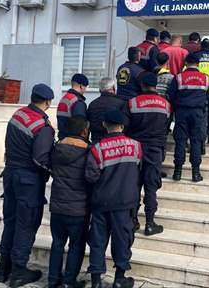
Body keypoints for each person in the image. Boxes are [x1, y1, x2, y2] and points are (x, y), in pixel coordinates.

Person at [0, 84, 55, 287]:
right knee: (26, 225)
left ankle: (3, 269)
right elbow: (41, 159)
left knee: (11, 221)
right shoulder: (42, 126)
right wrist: (55, 172)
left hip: (10, 174)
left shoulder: (18, 114)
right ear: (48, 102)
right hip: (29, 181)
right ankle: (19, 271)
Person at [85, 110, 142, 288]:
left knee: (98, 242)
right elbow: (139, 170)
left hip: (101, 202)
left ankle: (96, 281)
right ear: (122, 126)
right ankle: (119, 279)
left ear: (104, 125)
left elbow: (91, 177)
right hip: (125, 203)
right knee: (122, 240)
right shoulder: (136, 146)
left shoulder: (97, 148)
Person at [48, 117, 91, 288]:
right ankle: (69, 282)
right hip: (78, 208)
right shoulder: (88, 151)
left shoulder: (57, 148)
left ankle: (52, 280)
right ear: (84, 131)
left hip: (57, 206)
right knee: (76, 245)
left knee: (57, 243)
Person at [125, 73, 170, 236]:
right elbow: (166, 128)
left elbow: (125, 126)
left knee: (134, 185)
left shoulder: (132, 103)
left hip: (135, 149)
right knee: (151, 187)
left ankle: (133, 221)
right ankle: (150, 223)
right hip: (155, 150)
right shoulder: (166, 104)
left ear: (142, 85)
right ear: (156, 85)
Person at [167, 54, 209, 182]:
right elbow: (207, 96)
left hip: (182, 112)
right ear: (198, 64)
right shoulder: (206, 78)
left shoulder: (178, 77)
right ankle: (195, 174)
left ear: (186, 63)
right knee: (196, 141)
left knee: (180, 141)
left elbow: (171, 95)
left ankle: (177, 173)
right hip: (198, 113)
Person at [87, 77, 128, 143]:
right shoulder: (121, 103)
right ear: (114, 88)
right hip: (114, 143)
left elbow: (88, 124)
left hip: (96, 142)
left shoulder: (92, 104)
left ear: (100, 90)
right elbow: (126, 124)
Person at [57, 73, 88, 140]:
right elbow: (79, 125)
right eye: (85, 87)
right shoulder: (78, 101)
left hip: (62, 138)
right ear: (81, 86)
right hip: (73, 140)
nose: (85, 90)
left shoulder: (64, 98)